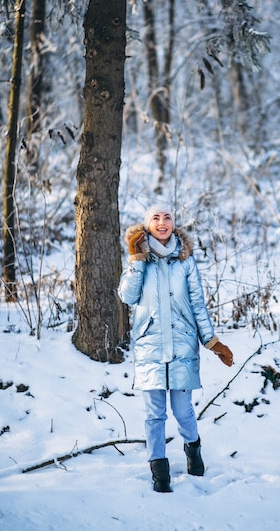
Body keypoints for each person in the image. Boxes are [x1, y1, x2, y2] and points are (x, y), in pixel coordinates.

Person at [118, 204, 233, 493]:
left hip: (182, 345)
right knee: (154, 414)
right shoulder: (138, 257)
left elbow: (197, 305)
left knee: (183, 411)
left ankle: (194, 452)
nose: (162, 222)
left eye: (166, 217)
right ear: (148, 225)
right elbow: (128, 296)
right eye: (155, 218)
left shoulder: (186, 261)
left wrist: (212, 341)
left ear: (173, 223)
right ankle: (160, 473)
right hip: (150, 347)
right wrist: (136, 259)